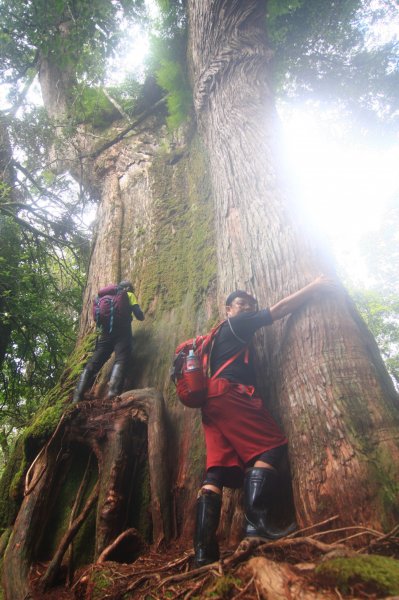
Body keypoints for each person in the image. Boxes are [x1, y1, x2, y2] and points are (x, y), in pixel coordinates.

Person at [194, 274, 336, 567]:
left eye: (250, 304)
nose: (246, 307)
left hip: (212, 403)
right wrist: (315, 286)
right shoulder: (239, 323)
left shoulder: (214, 335)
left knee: (215, 474)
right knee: (272, 446)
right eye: (240, 303)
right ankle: (256, 525)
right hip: (231, 395)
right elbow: (280, 308)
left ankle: (203, 553)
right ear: (228, 309)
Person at [73, 280, 144, 403]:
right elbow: (139, 315)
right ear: (127, 288)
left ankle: (77, 396)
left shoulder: (102, 297)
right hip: (123, 333)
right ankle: (113, 393)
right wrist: (141, 315)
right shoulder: (128, 295)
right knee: (121, 360)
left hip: (105, 334)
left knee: (93, 363)